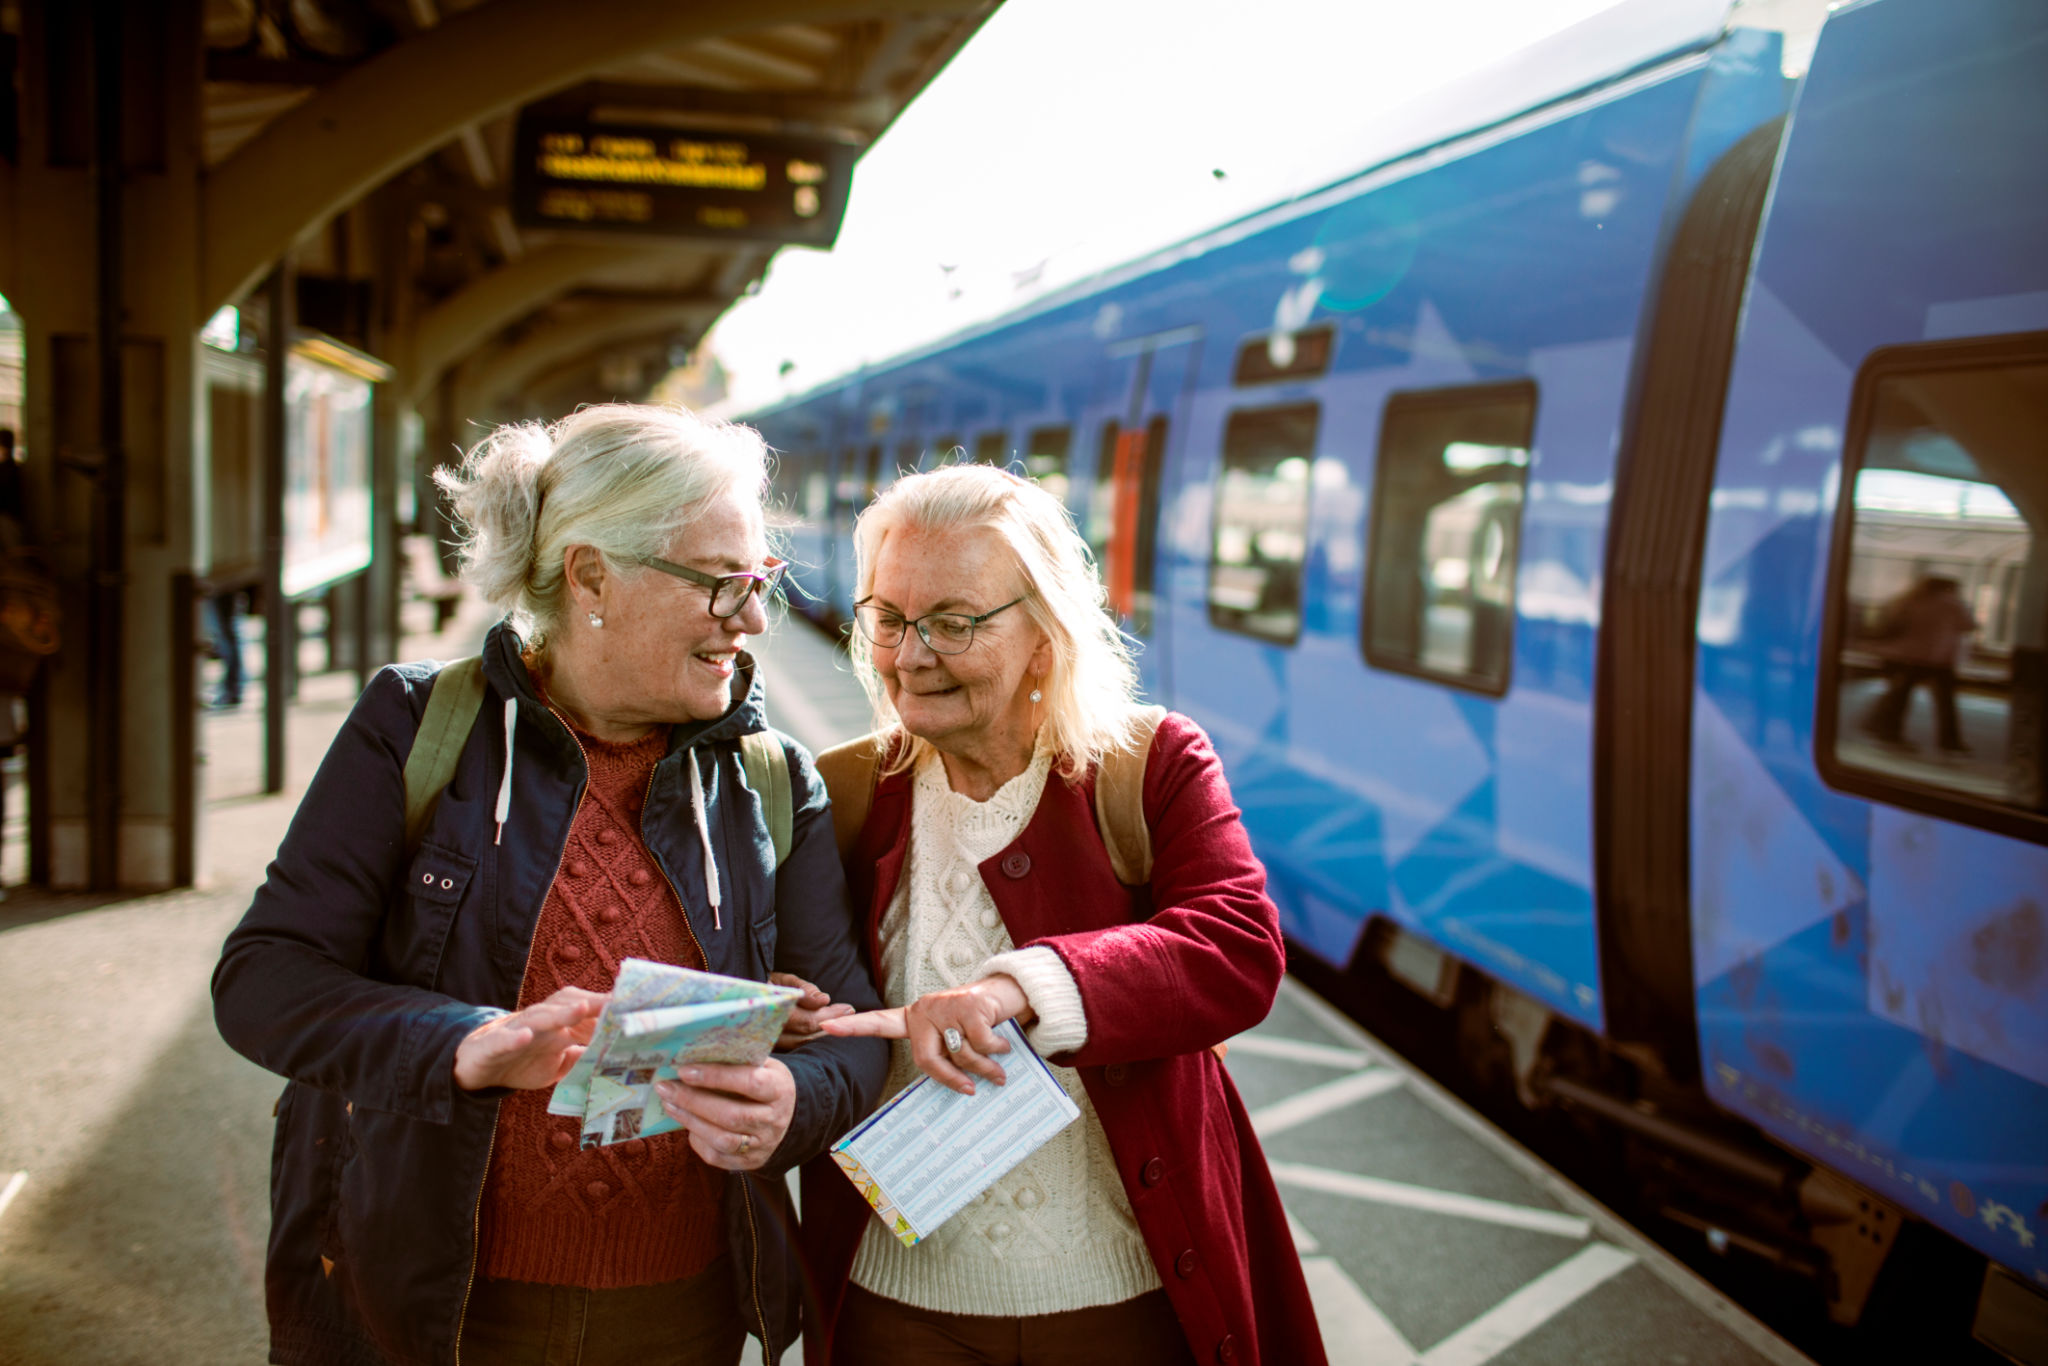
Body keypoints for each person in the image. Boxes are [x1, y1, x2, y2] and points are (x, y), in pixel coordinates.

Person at [212, 404, 888, 1366]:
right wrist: (463, 1042)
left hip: (681, 1314)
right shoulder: (416, 729)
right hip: (436, 1307)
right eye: (722, 584)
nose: (750, 619)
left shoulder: (773, 782)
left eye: (760, 581)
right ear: (591, 575)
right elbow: (264, 978)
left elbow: (854, 1032)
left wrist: (793, 1094)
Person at [796, 464, 1326, 1366]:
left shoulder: (1147, 765)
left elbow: (1236, 947)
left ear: (1043, 632)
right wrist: (786, 1017)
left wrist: (1017, 988)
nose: (910, 656)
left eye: (953, 623)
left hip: (1123, 1296)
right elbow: (806, 1006)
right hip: (894, 1305)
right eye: (888, 618)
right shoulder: (845, 790)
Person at [1862, 574, 1978, 753]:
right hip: (1937, 660)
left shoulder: (1907, 600)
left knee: (1899, 697)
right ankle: (1949, 741)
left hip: (1903, 656)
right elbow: (1968, 625)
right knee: (1945, 703)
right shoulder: (1952, 603)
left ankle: (1888, 732)